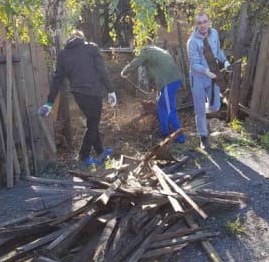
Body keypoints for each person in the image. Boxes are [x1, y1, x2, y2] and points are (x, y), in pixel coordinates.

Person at [37, 30, 117, 166]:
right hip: (93, 92)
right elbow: (102, 70)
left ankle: (100, 151)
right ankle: (83, 157)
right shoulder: (91, 48)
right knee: (93, 123)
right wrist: (111, 90)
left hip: (78, 94)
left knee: (92, 121)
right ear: (82, 38)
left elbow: (57, 79)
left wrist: (49, 103)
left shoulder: (63, 54)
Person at [120, 45, 185, 143]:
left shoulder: (146, 52)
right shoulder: (158, 51)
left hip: (168, 82)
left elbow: (136, 62)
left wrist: (124, 71)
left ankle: (180, 138)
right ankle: (164, 133)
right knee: (161, 106)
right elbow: (157, 71)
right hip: (170, 81)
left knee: (170, 110)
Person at [187, 12, 231, 150]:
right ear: (196, 25)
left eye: (205, 21)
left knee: (215, 106)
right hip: (198, 77)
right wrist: (206, 72)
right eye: (199, 23)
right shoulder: (192, 42)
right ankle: (203, 137)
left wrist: (225, 62)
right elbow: (194, 64)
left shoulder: (214, 34)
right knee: (200, 109)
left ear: (209, 21)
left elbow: (217, 51)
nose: (203, 25)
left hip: (213, 76)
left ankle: (201, 109)